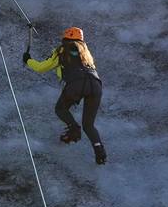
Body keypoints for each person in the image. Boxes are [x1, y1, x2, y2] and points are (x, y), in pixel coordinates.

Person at [23, 27, 107, 165]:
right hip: (96, 85)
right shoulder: (86, 52)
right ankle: (100, 151)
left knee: (60, 109)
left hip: (76, 84)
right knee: (89, 124)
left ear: (65, 38)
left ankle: (73, 129)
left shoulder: (62, 50)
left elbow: (41, 67)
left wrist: (28, 60)